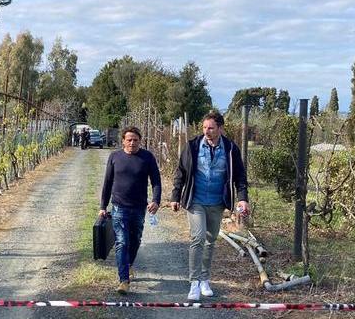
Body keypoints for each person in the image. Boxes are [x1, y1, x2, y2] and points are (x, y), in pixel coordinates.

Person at [170, 110, 249, 301]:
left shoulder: (231, 149)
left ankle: (205, 279)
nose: (207, 131)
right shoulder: (193, 146)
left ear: (220, 129)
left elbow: (240, 177)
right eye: (204, 127)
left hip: (217, 202)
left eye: (211, 128)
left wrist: (242, 198)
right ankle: (194, 283)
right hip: (195, 200)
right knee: (197, 238)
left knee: (210, 240)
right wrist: (175, 196)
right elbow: (180, 172)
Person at [99, 127, 161, 294]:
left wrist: (156, 200)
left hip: (139, 207)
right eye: (129, 140)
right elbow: (107, 182)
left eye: (135, 140)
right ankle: (124, 281)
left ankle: (128, 264)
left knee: (135, 240)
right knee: (122, 242)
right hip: (119, 207)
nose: (132, 143)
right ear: (123, 141)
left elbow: (156, 181)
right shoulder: (115, 157)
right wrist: (103, 207)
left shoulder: (147, 157)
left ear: (140, 141)